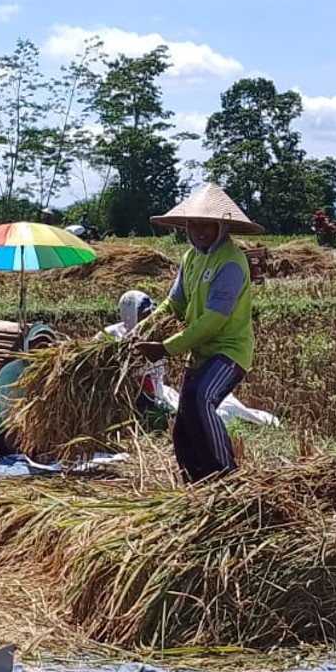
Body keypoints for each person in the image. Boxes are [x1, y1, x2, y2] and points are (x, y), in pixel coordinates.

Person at [133, 184, 260, 483]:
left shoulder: (231, 263)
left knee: (202, 398)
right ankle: (195, 482)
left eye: (206, 225)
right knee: (184, 422)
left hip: (229, 351)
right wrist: (143, 328)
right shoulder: (191, 258)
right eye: (194, 224)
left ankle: (227, 477)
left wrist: (165, 348)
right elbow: (175, 303)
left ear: (221, 226)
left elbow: (213, 320)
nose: (200, 231)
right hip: (201, 353)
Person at [0, 323, 58, 457]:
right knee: (15, 435)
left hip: (36, 430)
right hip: (1, 434)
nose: (41, 350)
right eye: (35, 345)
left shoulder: (54, 373)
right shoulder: (12, 373)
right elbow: (13, 420)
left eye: (47, 345)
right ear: (27, 347)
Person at [103, 290, 175, 431]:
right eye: (145, 315)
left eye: (151, 313)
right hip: (125, 398)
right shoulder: (112, 336)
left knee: (173, 418)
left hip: (154, 395)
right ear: (132, 317)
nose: (150, 318)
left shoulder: (155, 337)